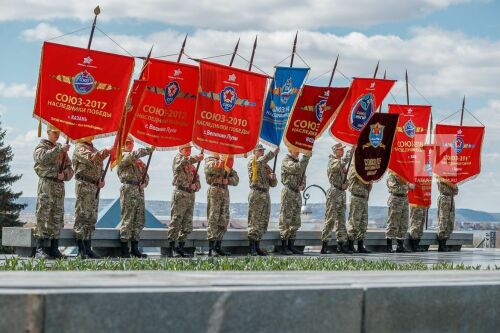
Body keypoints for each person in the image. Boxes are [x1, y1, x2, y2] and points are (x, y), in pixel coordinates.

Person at [33, 124, 73, 258]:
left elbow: (70, 169)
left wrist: (65, 175)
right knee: (43, 214)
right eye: (54, 132)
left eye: (58, 133)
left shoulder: (62, 150)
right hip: (47, 184)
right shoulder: (42, 146)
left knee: (56, 216)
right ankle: (40, 248)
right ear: (48, 132)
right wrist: (58, 150)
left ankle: (54, 247)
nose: (57, 135)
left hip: (58, 186)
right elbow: (41, 158)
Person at [72, 137, 110, 258]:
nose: (92, 135)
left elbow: (99, 168)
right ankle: (81, 249)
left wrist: (101, 180)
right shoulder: (79, 147)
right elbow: (92, 157)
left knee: (91, 218)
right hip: (84, 185)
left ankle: (88, 248)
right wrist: (108, 150)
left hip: (94, 187)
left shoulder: (95, 149)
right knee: (82, 216)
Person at [117, 136, 154, 258]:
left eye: (131, 143)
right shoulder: (123, 155)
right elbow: (134, 155)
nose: (130, 145)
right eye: (127, 143)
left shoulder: (138, 161)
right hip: (128, 188)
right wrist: (148, 149)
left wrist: (144, 183)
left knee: (139, 219)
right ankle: (124, 249)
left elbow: (146, 175)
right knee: (128, 218)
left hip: (138, 190)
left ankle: (134, 248)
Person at [167, 145, 203, 257]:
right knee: (176, 220)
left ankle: (181, 247)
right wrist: (196, 158)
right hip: (180, 194)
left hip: (190, 195)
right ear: (180, 150)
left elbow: (198, 182)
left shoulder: (192, 166)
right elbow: (183, 162)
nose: (188, 151)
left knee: (187, 223)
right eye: (186, 149)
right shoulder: (179, 159)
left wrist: (195, 186)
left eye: (189, 150)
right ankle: (172, 247)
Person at [247, 144, 279, 256]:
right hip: (256, 193)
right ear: (254, 152)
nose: (262, 153)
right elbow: (260, 161)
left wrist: (273, 178)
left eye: (263, 151)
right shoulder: (254, 162)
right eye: (260, 151)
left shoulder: (265, 166)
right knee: (255, 220)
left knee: (263, 221)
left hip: (265, 194)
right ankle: (252, 248)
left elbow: (274, 184)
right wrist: (273, 153)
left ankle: (257, 246)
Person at [205, 153, 239, 256]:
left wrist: (228, 180)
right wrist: (221, 162)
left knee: (224, 220)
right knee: (213, 218)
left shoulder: (227, 162)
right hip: (215, 190)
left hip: (224, 191)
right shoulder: (210, 160)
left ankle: (218, 246)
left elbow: (236, 179)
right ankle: (211, 248)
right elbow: (208, 169)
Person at [320, 143, 352, 254]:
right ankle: (324, 245)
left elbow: (344, 177)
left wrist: (346, 183)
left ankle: (341, 244)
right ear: (335, 151)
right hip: (334, 192)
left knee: (341, 220)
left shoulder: (340, 163)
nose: (342, 151)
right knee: (330, 219)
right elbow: (340, 164)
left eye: (343, 150)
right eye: (340, 150)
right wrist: (350, 152)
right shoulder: (333, 161)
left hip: (341, 192)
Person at [279, 148, 310, 255]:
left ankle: (291, 246)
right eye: (296, 149)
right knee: (286, 219)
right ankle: (283, 246)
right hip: (288, 191)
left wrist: (302, 186)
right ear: (290, 149)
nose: (298, 151)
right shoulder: (286, 160)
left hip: (297, 193)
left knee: (295, 220)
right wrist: (306, 157)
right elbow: (297, 168)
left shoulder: (298, 162)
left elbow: (303, 176)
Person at [385, 171, 413, 253]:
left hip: (404, 199)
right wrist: (407, 185)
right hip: (395, 199)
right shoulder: (392, 174)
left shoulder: (404, 175)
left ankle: (400, 246)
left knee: (403, 223)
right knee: (392, 222)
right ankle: (389, 246)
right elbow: (393, 187)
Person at [347, 167, 372, 253]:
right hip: (356, 197)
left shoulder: (365, 170)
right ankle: (350, 245)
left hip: (364, 198)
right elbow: (351, 179)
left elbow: (368, 186)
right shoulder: (354, 168)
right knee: (354, 222)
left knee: (363, 223)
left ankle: (360, 246)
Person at [436, 179, 459, 252]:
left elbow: (456, 191)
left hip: (451, 198)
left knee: (450, 220)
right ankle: (441, 244)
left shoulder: (452, 175)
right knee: (443, 220)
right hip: (444, 198)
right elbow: (442, 181)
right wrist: (452, 185)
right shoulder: (441, 172)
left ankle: (444, 243)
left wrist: (454, 186)